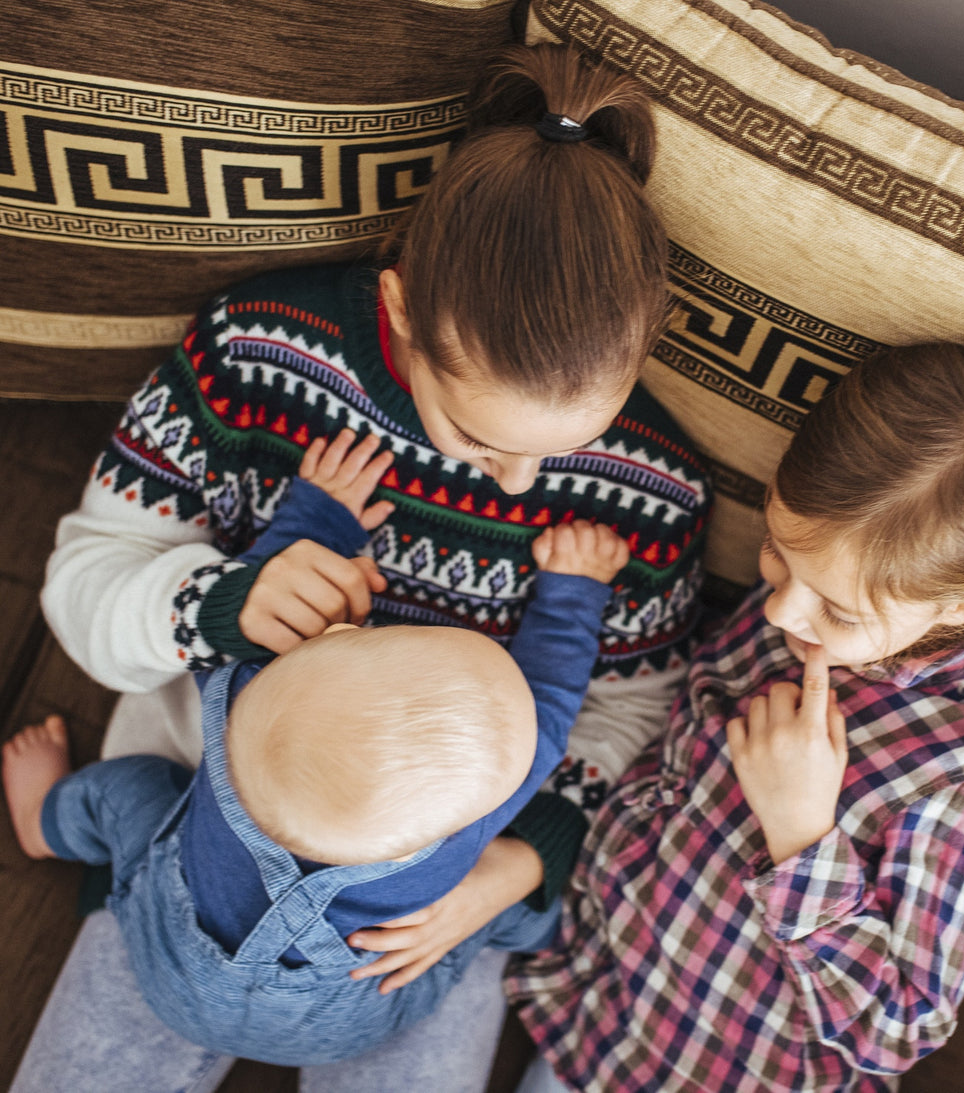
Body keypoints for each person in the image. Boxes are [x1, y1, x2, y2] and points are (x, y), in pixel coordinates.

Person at [15, 41, 707, 1090]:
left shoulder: (650, 491)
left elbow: (630, 712)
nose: (521, 489)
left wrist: (523, 861)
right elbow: (85, 591)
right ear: (396, 311)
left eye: (565, 443)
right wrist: (222, 604)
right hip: (206, 845)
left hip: (440, 897)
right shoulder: (254, 358)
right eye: (479, 438)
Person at [355, 342, 964, 1091]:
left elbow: (899, 1027)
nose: (784, 609)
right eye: (777, 553)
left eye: (838, 609)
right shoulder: (807, 596)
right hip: (599, 994)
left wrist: (800, 836)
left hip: (721, 1067)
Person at [4, 432, 629, 1065]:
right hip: (353, 1019)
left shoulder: (239, 693)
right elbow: (549, 701)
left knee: (130, 786)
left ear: (330, 635)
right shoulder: (470, 819)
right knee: (489, 913)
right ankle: (558, 932)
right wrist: (574, 590)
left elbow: (258, 598)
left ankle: (43, 822)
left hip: (170, 969)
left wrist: (319, 515)